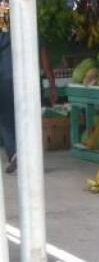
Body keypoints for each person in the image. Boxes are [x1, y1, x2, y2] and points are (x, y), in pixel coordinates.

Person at [0, 31, 58, 174]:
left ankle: (15, 154)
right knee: (30, 120)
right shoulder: (36, 34)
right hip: (29, 80)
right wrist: (52, 86)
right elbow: (46, 63)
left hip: (6, 80)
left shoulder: (4, 37)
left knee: (7, 119)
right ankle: (32, 159)